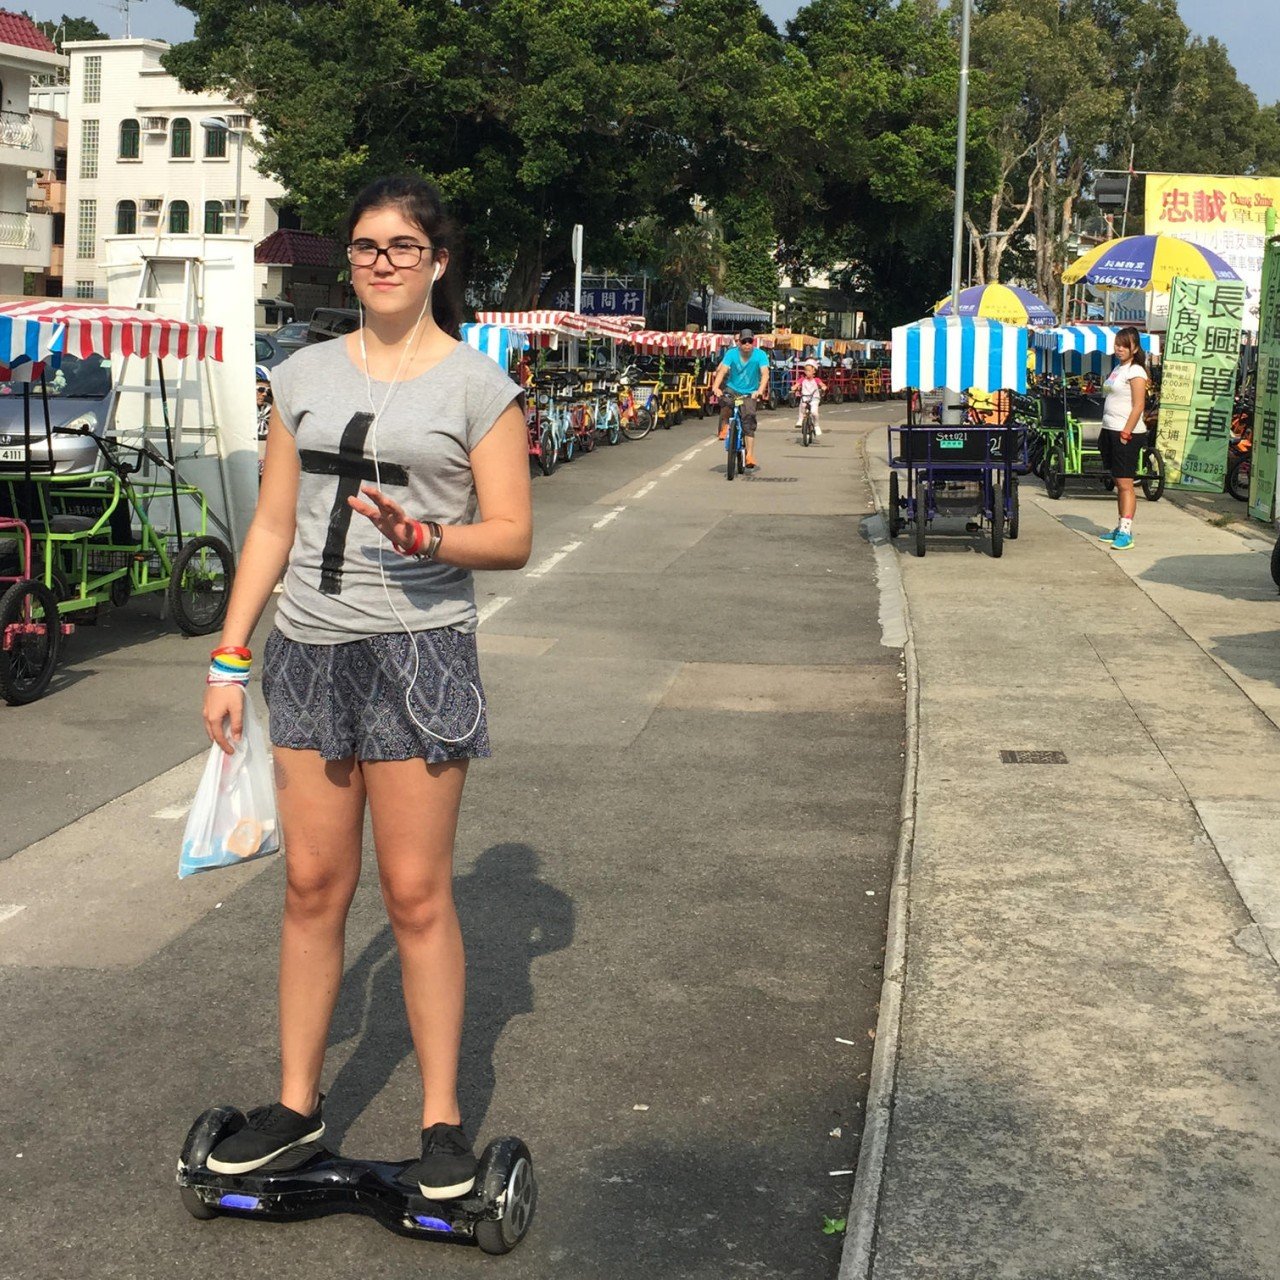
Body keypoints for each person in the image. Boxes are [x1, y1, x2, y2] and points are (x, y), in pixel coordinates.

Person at [199, 174, 532, 1199]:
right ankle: (297, 1106)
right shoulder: (299, 375)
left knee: (416, 893)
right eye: (362, 246)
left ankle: (440, 1126)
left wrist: (427, 535)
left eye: (399, 245)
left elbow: (511, 534)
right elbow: (269, 524)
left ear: (436, 262)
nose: (379, 261)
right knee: (310, 887)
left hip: (418, 655)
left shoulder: (480, 386)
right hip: (308, 652)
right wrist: (229, 652)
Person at [1097, 326, 1149, 551]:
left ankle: (1127, 531)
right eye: (1117, 344)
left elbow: (1139, 405)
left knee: (1126, 483)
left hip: (1125, 432)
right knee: (1118, 482)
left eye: (1124, 345)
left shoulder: (1136, 371)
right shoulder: (1119, 369)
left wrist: (1127, 431)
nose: (1119, 348)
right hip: (1110, 429)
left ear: (1134, 347)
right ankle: (1120, 526)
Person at [711, 328, 770, 469]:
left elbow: (765, 374)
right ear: (739, 343)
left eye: (750, 341)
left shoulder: (760, 355)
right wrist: (716, 387)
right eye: (744, 341)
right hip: (733, 389)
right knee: (725, 401)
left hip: (750, 393)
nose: (747, 344)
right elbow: (722, 371)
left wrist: (760, 391)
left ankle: (749, 455)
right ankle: (725, 425)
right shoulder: (731, 354)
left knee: (748, 420)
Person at [794, 358, 826, 437]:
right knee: (802, 405)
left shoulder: (816, 380)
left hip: (814, 398)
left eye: (809, 370)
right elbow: (796, 384)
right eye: (806, 370)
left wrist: (823, 387)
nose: (807, 372)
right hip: (805, 397)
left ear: (814, 371)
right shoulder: (802, 379)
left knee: (814, 412)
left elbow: (823, 385)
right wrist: (794, 387)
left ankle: (816, 425)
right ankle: (800, 419)